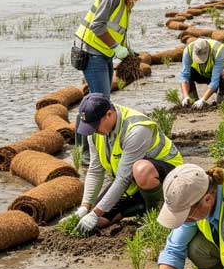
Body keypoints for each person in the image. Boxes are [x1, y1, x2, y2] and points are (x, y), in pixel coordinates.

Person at [64, 95, 183, 234]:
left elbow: (123, 178)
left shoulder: (137, 129)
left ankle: (156, 218)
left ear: (109, 114)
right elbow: (95, 171)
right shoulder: (95, 131)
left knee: (142, 170)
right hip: (131, 180)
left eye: (95, 126)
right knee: (99, 221)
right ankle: (140, 206)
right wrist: (85, 208)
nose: (93, 130)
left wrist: (96, 212)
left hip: (169, 176)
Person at [71, 0, 155, 98]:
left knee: (102, 99)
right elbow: (97, 25)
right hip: (91, 53)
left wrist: (126, 49)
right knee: (101, 100)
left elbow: (116, 29)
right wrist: (116, 47)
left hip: (105, 51)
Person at [178, 37, 224, 109]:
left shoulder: (218, 50)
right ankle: (193, 99)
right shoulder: (188, 50)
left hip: (217, 75)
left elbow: (215, 80)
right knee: (187, 73)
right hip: (200, 74)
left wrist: (203, 99)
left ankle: (220, 96)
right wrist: (185, 96)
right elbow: (184, 76)